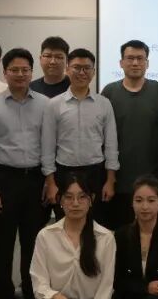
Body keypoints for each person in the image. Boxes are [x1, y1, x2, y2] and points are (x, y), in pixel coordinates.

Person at [0, 48, 51, 299]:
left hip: (35, 180)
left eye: (25, 70)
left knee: (34, 241)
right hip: (4, 179)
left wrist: (49, 179)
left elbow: (49, 146)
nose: (20, 74)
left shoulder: (45, 104)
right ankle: (4, 297)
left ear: (32, 72)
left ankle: (31, 292)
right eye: (14, 70)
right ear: (5, 72)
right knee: (3, 243)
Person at [41, 48, 119, 226]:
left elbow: (111, 145)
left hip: (96, 173)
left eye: (87, 68)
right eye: (76, 67)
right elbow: (47, 147)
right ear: (67, 69)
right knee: (65, 225)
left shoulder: (104, 104)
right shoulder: (54, 104)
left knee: (95, 226)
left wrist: (110, 181)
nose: (82, 72)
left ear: (94, 72)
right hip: (63, 173)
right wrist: (51, 183)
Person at [101, 40, 158, 230]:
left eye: (140, 58)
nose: (135, 63)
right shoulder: (109, 92)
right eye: (130, 58)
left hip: (152, 182)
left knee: (153, 235)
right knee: (120, 235)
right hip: (118, 181)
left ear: (147, 63)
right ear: (121, 63)